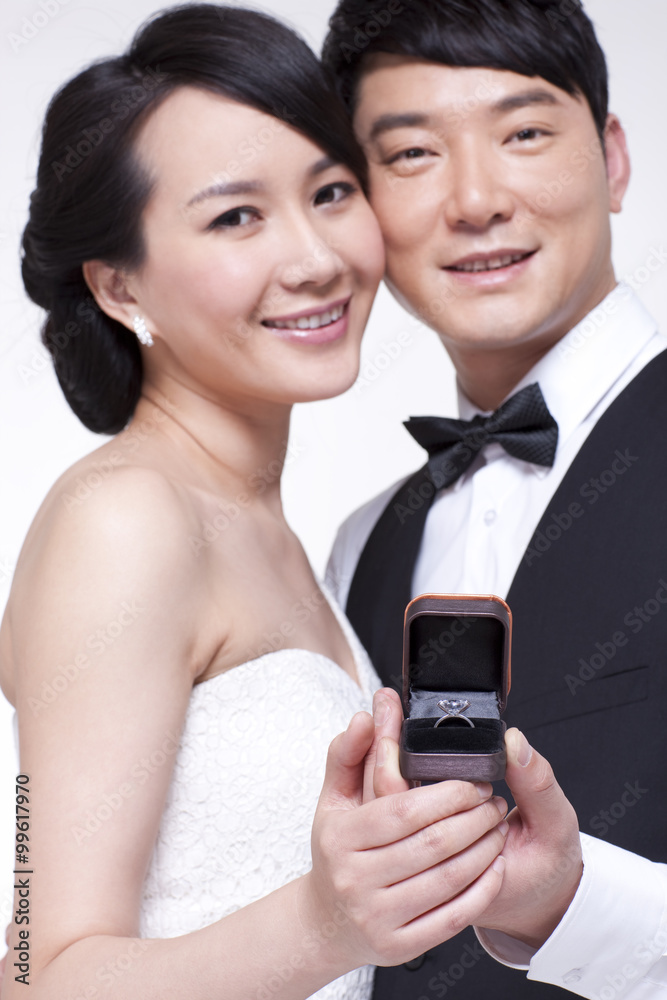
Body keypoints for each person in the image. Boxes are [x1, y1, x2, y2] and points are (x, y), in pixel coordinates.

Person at [0, 5, 514, 998]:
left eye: (329, 191)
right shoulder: (126, 519)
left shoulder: (277, 532)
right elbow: (32, 970)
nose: (315, 257)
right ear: (119, 287)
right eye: (236, 216)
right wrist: (320, 924)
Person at [322, 1, 667, 998]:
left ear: (610, 158)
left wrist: (571, 905)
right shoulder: (362, 543)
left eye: (521, 134)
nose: (474, 200)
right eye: (414, 154)